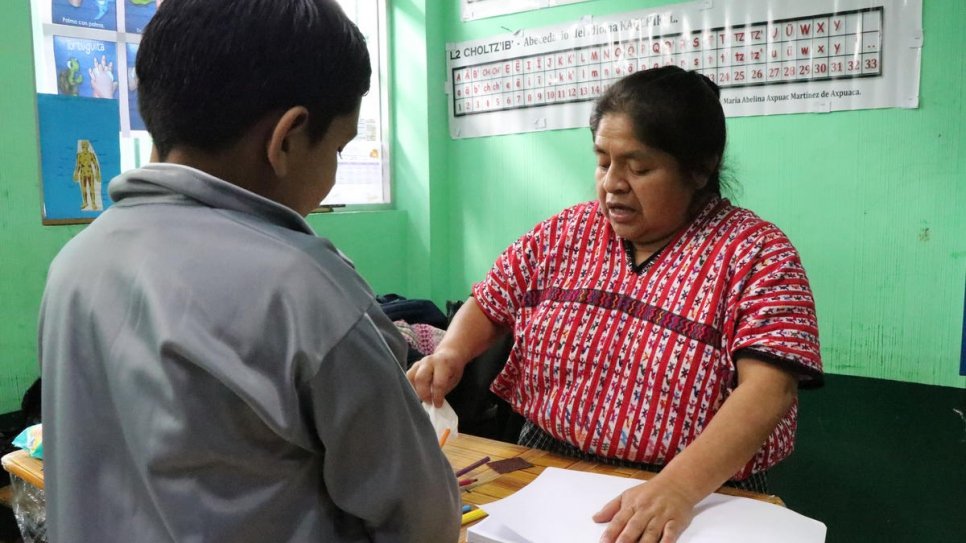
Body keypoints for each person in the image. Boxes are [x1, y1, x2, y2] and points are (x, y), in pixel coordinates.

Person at [39, 1, 460, 542]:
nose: (332, 169)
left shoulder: (76, 263)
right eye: (337, 148)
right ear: (286, 138)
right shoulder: (306, 291)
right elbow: (422, 519)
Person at [408, 65, 823, 543]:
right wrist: (452, 352)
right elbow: (492, 300)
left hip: (703, 493)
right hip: (548, 471)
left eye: (639, 167)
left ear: (700, 168)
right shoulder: (565, 232)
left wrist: (679, 488)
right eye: (603, 161)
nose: (612, 184)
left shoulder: (756, 253)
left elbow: (769, 390)